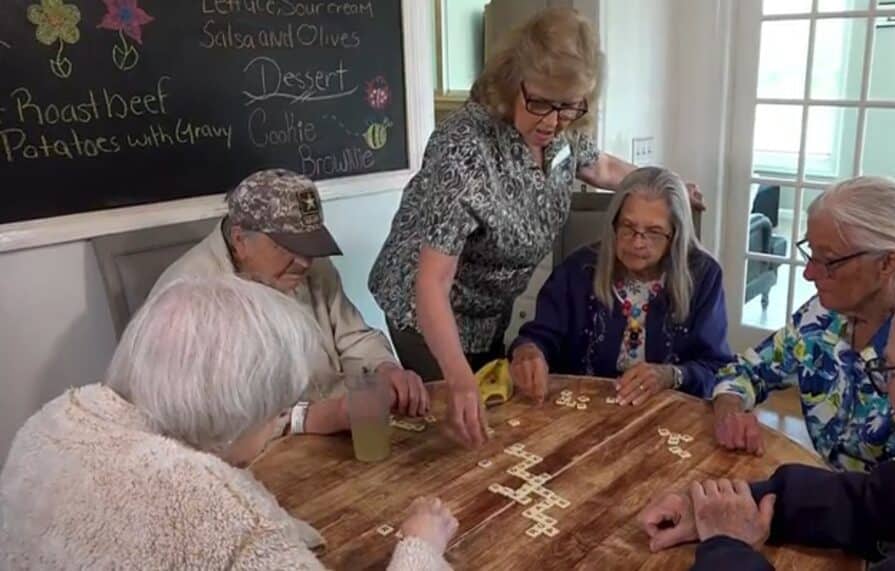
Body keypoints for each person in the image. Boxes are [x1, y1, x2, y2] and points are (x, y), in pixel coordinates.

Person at [369, 7, 704, 449]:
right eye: (540, 103)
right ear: (513, 82)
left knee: (491, 420)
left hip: (489, 309)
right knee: (455, 427)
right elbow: (432, 282)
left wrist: (663, 185)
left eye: (568, 107)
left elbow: (598, 165)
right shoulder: (464, 149)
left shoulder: (563, 129)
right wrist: (458, 378)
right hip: (427, 312)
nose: (552, 121)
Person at [0, 275, 458, 570]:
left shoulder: (56, 419)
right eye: (278, 408)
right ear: (235, 415)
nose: (281, 416)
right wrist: (420, 548)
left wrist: (302, 418)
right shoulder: (228, 519)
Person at [637, 269, 895, 570]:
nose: (886, 390)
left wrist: (728, 547)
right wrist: (729, 506)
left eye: (891, 371)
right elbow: (871, 500)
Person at [154, 168, 428, 440]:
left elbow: (355, 336)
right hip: (259, 449)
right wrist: (305, 418)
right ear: (240, 240)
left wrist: (386, 368)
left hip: (341, 428)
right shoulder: (188, 296)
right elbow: (202, 417)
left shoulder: (312, 266)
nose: (305, 261)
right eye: (288, 247)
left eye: (310, 245)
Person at [710, 176, 895, 471]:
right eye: (810, 252)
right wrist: (729, 408)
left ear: (888, 263)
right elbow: (746, 370)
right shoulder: (822, 317)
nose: (808, 274)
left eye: (829, 260)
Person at [508, 167, 730, 404]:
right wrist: (528, 352)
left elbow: (717, 368)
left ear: (676, 236)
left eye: (654, 232)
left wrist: (671, 375)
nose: (637, 242)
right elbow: (538, 336)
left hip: (667, 413)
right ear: (613, 225)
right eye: (627, 227)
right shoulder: (579, 269)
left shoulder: (703, 276)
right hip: (582, 410)